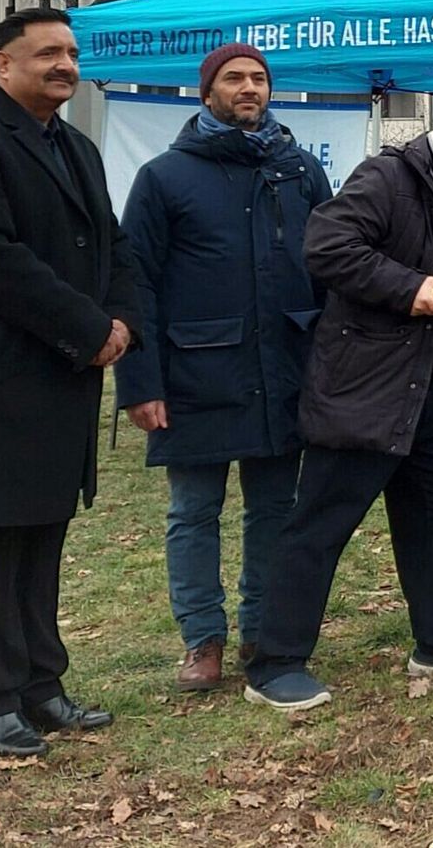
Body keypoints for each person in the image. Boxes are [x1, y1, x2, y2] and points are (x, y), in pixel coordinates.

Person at [244, 88, 433, 712]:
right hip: (369, 388)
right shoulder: (387, 179)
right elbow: (326, 246)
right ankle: (274, 662)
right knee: (322, 521)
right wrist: (405, 286)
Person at [0, 7, 139, 755]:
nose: (64, 64)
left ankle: (43, 685)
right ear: (3, 65)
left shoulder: (75, 145)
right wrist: (89, 326)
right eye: (47, 53)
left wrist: (124, 318)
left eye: (71, 52)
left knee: (43, 536)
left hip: (60, 378)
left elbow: (113, 242)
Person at [115, 43, 332, 692]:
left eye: (259, 78)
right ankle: (202, 639)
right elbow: (136, 284)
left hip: (282, 370)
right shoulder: (164, 176)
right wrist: (140, 381)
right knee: (194, 509)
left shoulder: (297, 170)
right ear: (206, 91)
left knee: (275, 507)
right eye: (234, 78)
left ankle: (263, 627)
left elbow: (327, 266)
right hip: (194, 375)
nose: (249, 87)